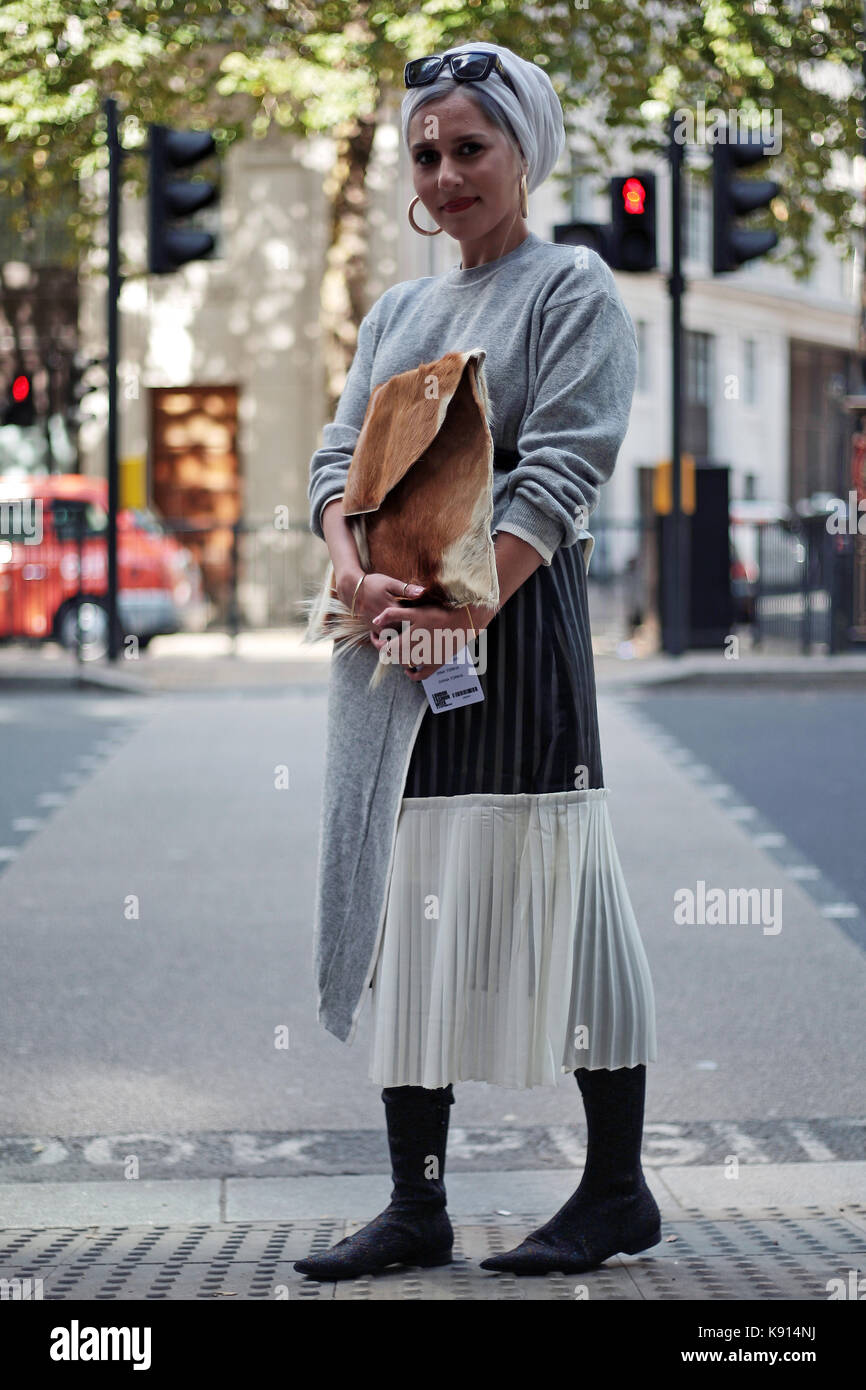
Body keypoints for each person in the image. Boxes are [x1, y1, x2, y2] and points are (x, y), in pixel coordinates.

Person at [294, 40, 659, 1281]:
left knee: (561, 908)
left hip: (512, 641)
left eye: (469, 150)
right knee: (408, 914)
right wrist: (353, 573)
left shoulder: (570, 289)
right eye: (426, 155)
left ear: (523, 153)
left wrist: (459, 605)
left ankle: (614, 1190)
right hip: (391, 644)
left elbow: (562, 470)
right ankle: (417, 1204)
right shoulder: (399, 309)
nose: (444, 175)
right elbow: (332, 462)